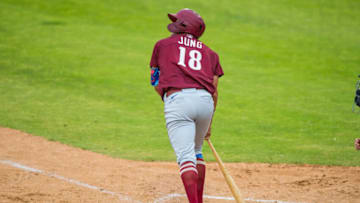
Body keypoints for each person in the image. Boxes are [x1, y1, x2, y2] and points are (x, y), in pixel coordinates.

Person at [149, 8, 224, 203]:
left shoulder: (162, 45)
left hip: (179, 100)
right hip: (205, 103)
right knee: (197, 150)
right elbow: (214, 91)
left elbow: (155, 82)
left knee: (185, 156)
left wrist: (170, 101)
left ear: (182, 26)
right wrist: (209, 124)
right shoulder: (211, 54)